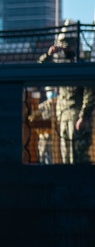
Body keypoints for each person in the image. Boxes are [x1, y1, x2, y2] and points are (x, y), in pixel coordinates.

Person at [39, 25, 94, 163]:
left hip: (76, 116)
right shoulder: (61, 65)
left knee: (79, 158)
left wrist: (84, 116)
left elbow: (90, 93)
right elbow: (40, 68)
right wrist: (49, 55)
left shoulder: (82, 65)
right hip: (63, 116)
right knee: (66, 158)